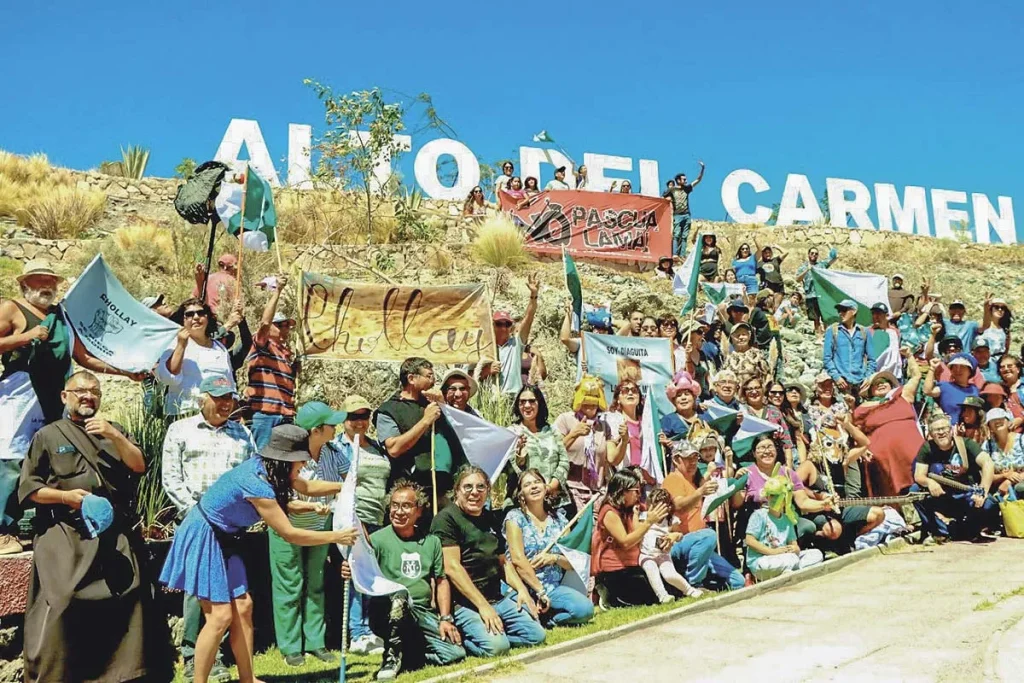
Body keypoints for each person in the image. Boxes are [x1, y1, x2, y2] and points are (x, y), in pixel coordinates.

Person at [160, 424, 357, 683]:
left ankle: (248, 678)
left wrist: (345, 485)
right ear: (286, 461)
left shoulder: (268, 470)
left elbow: (305, 487)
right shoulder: (256, 484)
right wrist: (336, 536)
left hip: (226, 539)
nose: (303, 466)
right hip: (204, 536)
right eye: (300, 461)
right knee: (219, 617)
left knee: (243, 607)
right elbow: (290, 534)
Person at [19, 371, 170, 682]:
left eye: (94, 391)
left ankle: (123, 673)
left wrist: (115, 436)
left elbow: (138, 465)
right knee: (64, 599)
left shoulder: (115, 430)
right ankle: (59, 673)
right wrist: (66, 497)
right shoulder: (48, 436)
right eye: (80, 391)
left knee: (130, 596)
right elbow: (30, 490)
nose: (87, 396)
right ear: (65, 396)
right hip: (66, 533)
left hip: (113, 533)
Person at [0, 261, 146, 555]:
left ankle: (34, 522)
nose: (46, 285)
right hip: (21, 393)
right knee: (11, 459)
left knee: (51, 455)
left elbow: (84, 357)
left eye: (50, 280)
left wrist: (124, 372)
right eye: (39, 279)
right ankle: (3, 530)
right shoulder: (11, 308)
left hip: (59, 393)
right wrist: (25, 337)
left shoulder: (62, 315)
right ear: (24, 284)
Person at [162, 375, 257, 680]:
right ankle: (194, 656)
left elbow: (252, 476)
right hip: (198, 522)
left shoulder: (243, 434)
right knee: (198, 593)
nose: (225, 403)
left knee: (232, 598)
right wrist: (200, 516)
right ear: (202, 399)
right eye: (218, 398)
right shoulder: (180, 430)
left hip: (231, 528)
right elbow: (172, 479)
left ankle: (220, 659)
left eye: (229, 397)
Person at [347, 480, 466, 680]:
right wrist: (348, 569)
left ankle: (409, 654)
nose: (399, 512)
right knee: (400, 594)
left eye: (406, 506)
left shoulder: (431, 542)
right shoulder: (377, 540)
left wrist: (445, 618)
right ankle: (391, 656)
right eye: (394, 505)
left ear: (419, 511)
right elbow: (361, 569)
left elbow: (441, 581)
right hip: (386, 611)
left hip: (420, 612)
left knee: (454, 654)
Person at [430, 466, 546, 657]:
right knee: (497, 648)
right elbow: (452, 568)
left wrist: (522, 590)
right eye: (468, 487)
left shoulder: (490, 518)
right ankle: (467, 640)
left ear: (488, 491)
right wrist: (483, 606)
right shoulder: (446, 520)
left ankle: (498, 633)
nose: (474, 492)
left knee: (536, 636)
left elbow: (503, 562)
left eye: (480, 487)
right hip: (465, 604)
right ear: (457, 491)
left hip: (496, 598)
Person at [269, 402, 348, 667]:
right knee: (289, 586)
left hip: (320, 529)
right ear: (316, 430)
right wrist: (314, 504)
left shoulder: (333, 452)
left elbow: (349, 480)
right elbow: (284, 501)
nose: (336, 427)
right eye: (331, 424)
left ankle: (315, 641)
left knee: (316, 584)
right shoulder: (288, 455)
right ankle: (291, 646)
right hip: (287, 530)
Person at [332, 395, 391, 656]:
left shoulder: (377, 447)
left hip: (378, 518)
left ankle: (368, 629)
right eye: (353, 417)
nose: (360, 422)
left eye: (364, 416)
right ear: (344, 420)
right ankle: (356, 633)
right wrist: (354, 519)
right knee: (355, 574)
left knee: (370, 574)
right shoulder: (338, 448)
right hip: (355, 519)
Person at [503, 470, 595, 625]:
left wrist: (554, 558)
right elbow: (517, 559)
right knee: (526, 624)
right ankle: (537, 616)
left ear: (545, 487)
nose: (533, 486)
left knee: (585, 610)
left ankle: (548, 620)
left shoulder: (559, 519)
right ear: (521, 494)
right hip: (524, 587)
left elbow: (572, 561)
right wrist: (540, 591)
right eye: (527, 484)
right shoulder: (514, 518)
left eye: (537, 482)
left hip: (553, 588)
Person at [374, 357, 462, 502]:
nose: (434, 381)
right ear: (411, 378)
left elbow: (457, 435)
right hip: (408, 490)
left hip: (440, 489)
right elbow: (394, 448)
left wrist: (444, 405)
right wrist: (425, 421)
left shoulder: (434, 404)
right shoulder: (388, 410)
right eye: (429, 376)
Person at [662, 442, 745, 591]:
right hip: (680, 542)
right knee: (709, 535)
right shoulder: (672, 479)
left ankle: (710, 583)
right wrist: (700, 492)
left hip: (700, 545)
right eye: (688, 458)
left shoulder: (694, 481)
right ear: (676, 460)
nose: (693, 462)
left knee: (738, 580)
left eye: (695, 458)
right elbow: (678, 507)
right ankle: (694, 584)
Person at [911, 415, 997, 544]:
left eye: (944, 428)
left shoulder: (966, 444)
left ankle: (968, 530)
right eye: (936, 430)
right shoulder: (927, 448)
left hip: (967, 494)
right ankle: (941, 531)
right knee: (915, 491)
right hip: (943, 496)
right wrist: (930, 482)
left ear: (951, 430)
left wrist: (982, 491)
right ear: (931, 433)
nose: (941, 432)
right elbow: (919, 475)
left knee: (989, 503)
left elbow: (988, 463)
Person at [593, 468, 669, 607]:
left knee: (667, 586)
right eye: (636, 490)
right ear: (623, 491)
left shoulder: (634, 509)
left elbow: (641, 536)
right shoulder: (609, 512)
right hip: (615, 569)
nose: (639, 495)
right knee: (646, 597)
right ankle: (606, 594)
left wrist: (668, 538)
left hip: (635, 564)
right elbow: (626, 542)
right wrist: (648, 522)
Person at [853, 355, 925, 496]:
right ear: (869, 390)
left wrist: (910, 356)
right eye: (876, 383)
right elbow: (856, 431)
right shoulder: (861, 408)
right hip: (883, 459)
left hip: (912, 451)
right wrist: (861, 449)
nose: (880, 384)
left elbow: (916, 376)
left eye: (884, 381)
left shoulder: (902, 395)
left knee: (922, 482)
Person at [156, 298, 236, 421]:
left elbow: (229, 381)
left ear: (208, 317)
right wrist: (181, 344)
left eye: (201, 313)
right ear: (182, 320)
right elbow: (168, 377)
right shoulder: (173, 344)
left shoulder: (220, 348)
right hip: (185, 412)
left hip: (217, 414)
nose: (196, 317)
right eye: (189, 314)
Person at [246, 275, 299, 449]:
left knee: (281, 465)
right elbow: (265, 323)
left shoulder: (286, 355)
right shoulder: (262, 345)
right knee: (261, 460)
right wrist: (278, 291)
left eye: (287, 326)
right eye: (280, 325)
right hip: (265, 415)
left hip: (285, 416)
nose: (285, 329)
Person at [744, 470, 824, 581]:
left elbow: (794, 545)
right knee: (790, 560)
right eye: (771, 496)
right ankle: (794, 571)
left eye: (778, 496)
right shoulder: (759, 515)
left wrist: (794, 549)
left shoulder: (787, 519)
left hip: (785, 557)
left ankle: (789, 573)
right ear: (767, 496)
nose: (774, 499)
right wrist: (772, 552)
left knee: (816, 554)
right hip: (763, 560)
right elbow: (750, 541)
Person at [553, 376, 611, 512]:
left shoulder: (603, 425)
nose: (590, 405)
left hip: (597, 493)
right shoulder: (565, 420)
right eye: (586, 400)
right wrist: (574, 434)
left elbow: (613, 458)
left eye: (594, 401)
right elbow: (553, 451)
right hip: (571, 491)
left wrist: (624, 439)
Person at [510, 385, 570, 509]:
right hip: (526, 504)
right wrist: (520, 454)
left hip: (556, 502)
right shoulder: (512, 432)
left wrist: (551, 486)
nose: (527, 405)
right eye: (522, 402)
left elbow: (564, 461)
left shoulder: (552, 430)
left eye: (532, 401)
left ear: (540, 403)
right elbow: (513, 468)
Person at [638, 487, 703, 602]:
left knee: (669, 574)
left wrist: (674, 536)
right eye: (654, 507)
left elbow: (679, 535)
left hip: (663, 554)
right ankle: (663, 596)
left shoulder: (671, 520)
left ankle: (689, 590)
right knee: (651, 569)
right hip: (646, 554)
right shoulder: (644, 517)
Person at [480, 273, 539, 394]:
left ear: (511, 327)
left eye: (506, 324)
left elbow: (528, 318)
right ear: (492, 326)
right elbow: (470, 376)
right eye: (499, 324)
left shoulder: (516, 345)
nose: (503, 328)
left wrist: (533, 295)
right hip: (490, 400)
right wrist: (487, 371)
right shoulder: (485, 347)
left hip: (512, 398)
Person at [823, 299, 875, 398]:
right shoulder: (832, 330)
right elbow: (827, 358)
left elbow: (872, 360)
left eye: (844, 310)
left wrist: (868, 377)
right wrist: (836, 377)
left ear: (854, 311)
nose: (840, 313)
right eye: (839, 311)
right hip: (840, 384)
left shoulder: (864, 332)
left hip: (860, 384)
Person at [606, 379, 655, 483]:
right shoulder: (612, 421)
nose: (630, 393)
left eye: (634, 390)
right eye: (625, 390)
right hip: (626, 480)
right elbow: (612, 460)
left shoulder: (648, 422)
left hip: (649, 480)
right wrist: (624, 441)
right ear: (618, 399)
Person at [739, 377, 795, 468]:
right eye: (749, 389)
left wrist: (788, 466)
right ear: (744, 392)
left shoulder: (774, 411)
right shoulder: (740, 411)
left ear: (762, 390)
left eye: (757, 388)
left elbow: (787, 443)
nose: (754, 392)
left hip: (775, 462)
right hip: (749, 463)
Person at [662, 162, 705, 258]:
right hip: (677, 215)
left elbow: (698, 180)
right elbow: (663, 198)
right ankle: (675, 254)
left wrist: (702, 169)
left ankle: (682, 255)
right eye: (684, 179)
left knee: (685, 236)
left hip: (687, 215)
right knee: (676, 234)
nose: (686, 181)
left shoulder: (687, 188)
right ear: (678, 180)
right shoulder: (672, 190)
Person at [924, 354, 981, 425]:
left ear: (970, 371)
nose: (958, 370)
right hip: (952, 430)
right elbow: (928, 391)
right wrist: (932, 368)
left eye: (962, 367)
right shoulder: (945, 386)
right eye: (955, 367)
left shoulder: (974, 389)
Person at [980, 409, 1024, 498]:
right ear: (989, 427)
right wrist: (1005, 475)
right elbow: (985, 476)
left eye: (1001, 418)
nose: (997, 421)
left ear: (1008, 422)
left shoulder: (1021, 440)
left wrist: (1009, 481)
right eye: (993, 420)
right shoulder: (987, 446)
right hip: (1000, 492)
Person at [795, 246, 838, 335]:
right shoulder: (803, 267)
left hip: (822, 294)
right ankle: (818, 336)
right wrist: (807, 270)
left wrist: (829, 245)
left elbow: (835, 257)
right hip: (810, 295)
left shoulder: (821, 265)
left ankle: (827, 335)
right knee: (815, 318)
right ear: (808, 254)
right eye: (812, 253)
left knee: (825, 316)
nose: (814, 255)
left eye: (816, 253)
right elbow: (797, 279)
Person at [722, 323, 770, 389]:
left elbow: (767, 376)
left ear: (749, 336)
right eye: (737, 335)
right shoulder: (729, 358)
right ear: (732, 338)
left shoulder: (758, 354)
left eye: (744, 334)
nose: (741, 337)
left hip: (754, 393)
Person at [661, 371, 704, 442]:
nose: (683, 398)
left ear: (694, 398)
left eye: (687, 394)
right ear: (674, 401)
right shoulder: (667, 420)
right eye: (679, 395)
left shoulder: (705, 416)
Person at [869, 303, 902, 380]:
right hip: (874, 374)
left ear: (887, 316)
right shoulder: (868, 332)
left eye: (879, 314)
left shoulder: (895, 332)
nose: (875, 316)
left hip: (894, 375)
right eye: (873, 313)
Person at [756, 245, 788, 309]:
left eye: (769, 252)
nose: (768, 254)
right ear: (762, 254)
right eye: (765, 253)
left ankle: (775, 318)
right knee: (767, 304)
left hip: (778, 284)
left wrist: (776, 246)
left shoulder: (775, 260)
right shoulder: (759, 264)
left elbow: (786, 252)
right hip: (767, 285)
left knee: (776, 306)